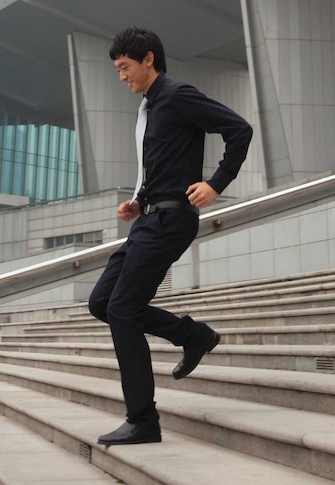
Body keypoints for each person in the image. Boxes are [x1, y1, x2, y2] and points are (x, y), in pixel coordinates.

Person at [89, 27, 252, 446]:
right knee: (102, 303)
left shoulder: (177, 95)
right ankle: (192, 335)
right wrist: (138, 201)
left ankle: (143, 420)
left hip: (172, 221)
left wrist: (217, 183)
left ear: (147, 59)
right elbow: (162, 163)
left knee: (123, 309)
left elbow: (239, 129)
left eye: (125, 67)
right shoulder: (150, 108)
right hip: (150, 218)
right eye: (117, 70)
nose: (121, 76)